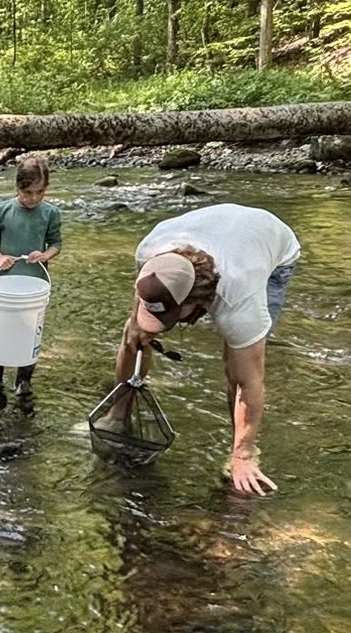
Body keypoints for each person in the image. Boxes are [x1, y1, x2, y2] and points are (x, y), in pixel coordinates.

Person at [115, 202, 300, 497]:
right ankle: (116, 413)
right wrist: (141, 325)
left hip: (271, 248)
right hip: (219, 231)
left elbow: (250, 384)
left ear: (198, 300)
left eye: (173, 316)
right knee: (134, 335)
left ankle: (240, 450)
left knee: (236, 367)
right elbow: (146, 300)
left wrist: (243, 456)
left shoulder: (238, 302)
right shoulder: (150, 252)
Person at [0, 154, 63, 398]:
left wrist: (45, 255)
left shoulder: (50, 213)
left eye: (40, 192)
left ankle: (23, 381)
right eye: (28, 192)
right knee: (0, 332)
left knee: (30, 334)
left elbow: (56, 243)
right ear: (17, 186)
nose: (34, 198)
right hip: (5, 284)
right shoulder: (3, 210)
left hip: (34, 285)